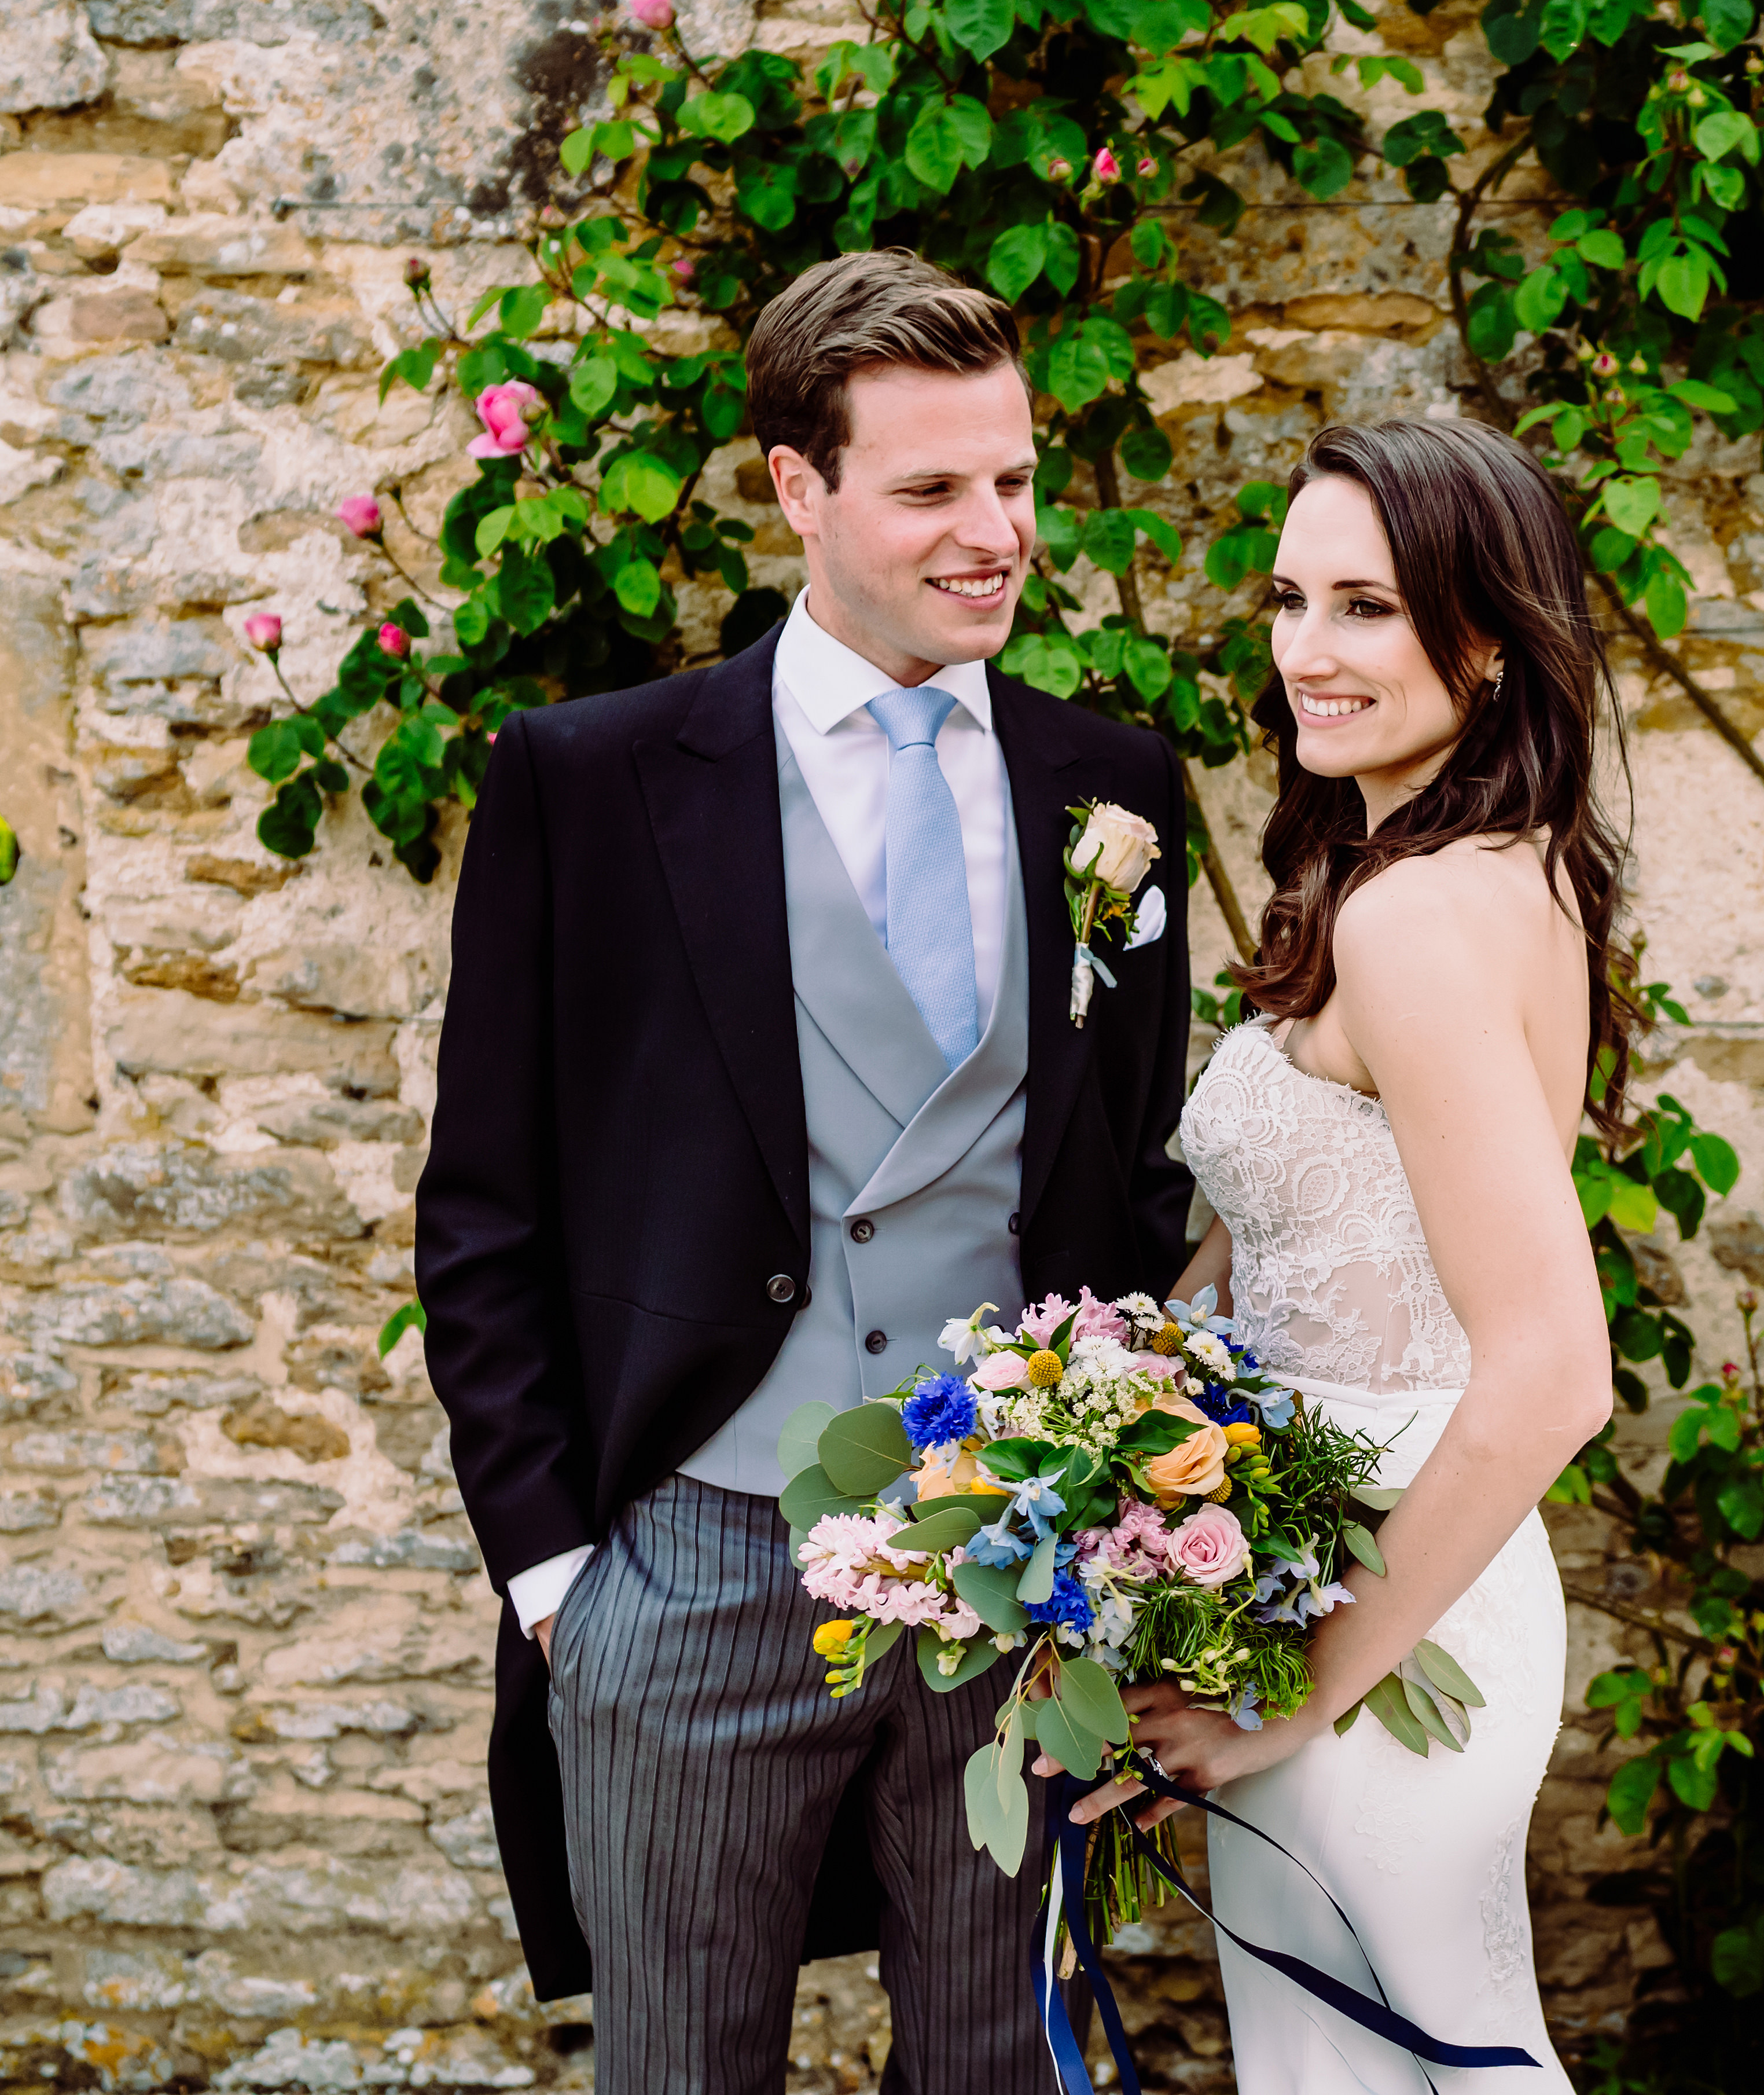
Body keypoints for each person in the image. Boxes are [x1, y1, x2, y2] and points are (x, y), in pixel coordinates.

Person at [415, 248, 1196, 2090]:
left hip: (1021, 1577)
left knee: (1006, 2068)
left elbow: (1129, 1182)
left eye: (1011, 478)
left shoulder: (1116, 788)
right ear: (797, 490)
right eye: (930, 488)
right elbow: (485, 1211)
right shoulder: (590, 782)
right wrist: (555, 1579)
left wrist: (1119, 1519)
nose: (992, 530)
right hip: (695, 1554)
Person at [1067, 416, 1622, 2091]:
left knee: (1439, 2057)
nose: (1307, 651)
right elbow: (1303, 1233)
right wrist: (1078, 1426)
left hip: (1388, 1592)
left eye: (1366, 607)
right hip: (1311, 1554)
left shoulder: (1415, 914)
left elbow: (1551, 1372)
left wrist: (1299, 1689)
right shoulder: (1466, 874)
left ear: (1484, 637)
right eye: (1291, 597)